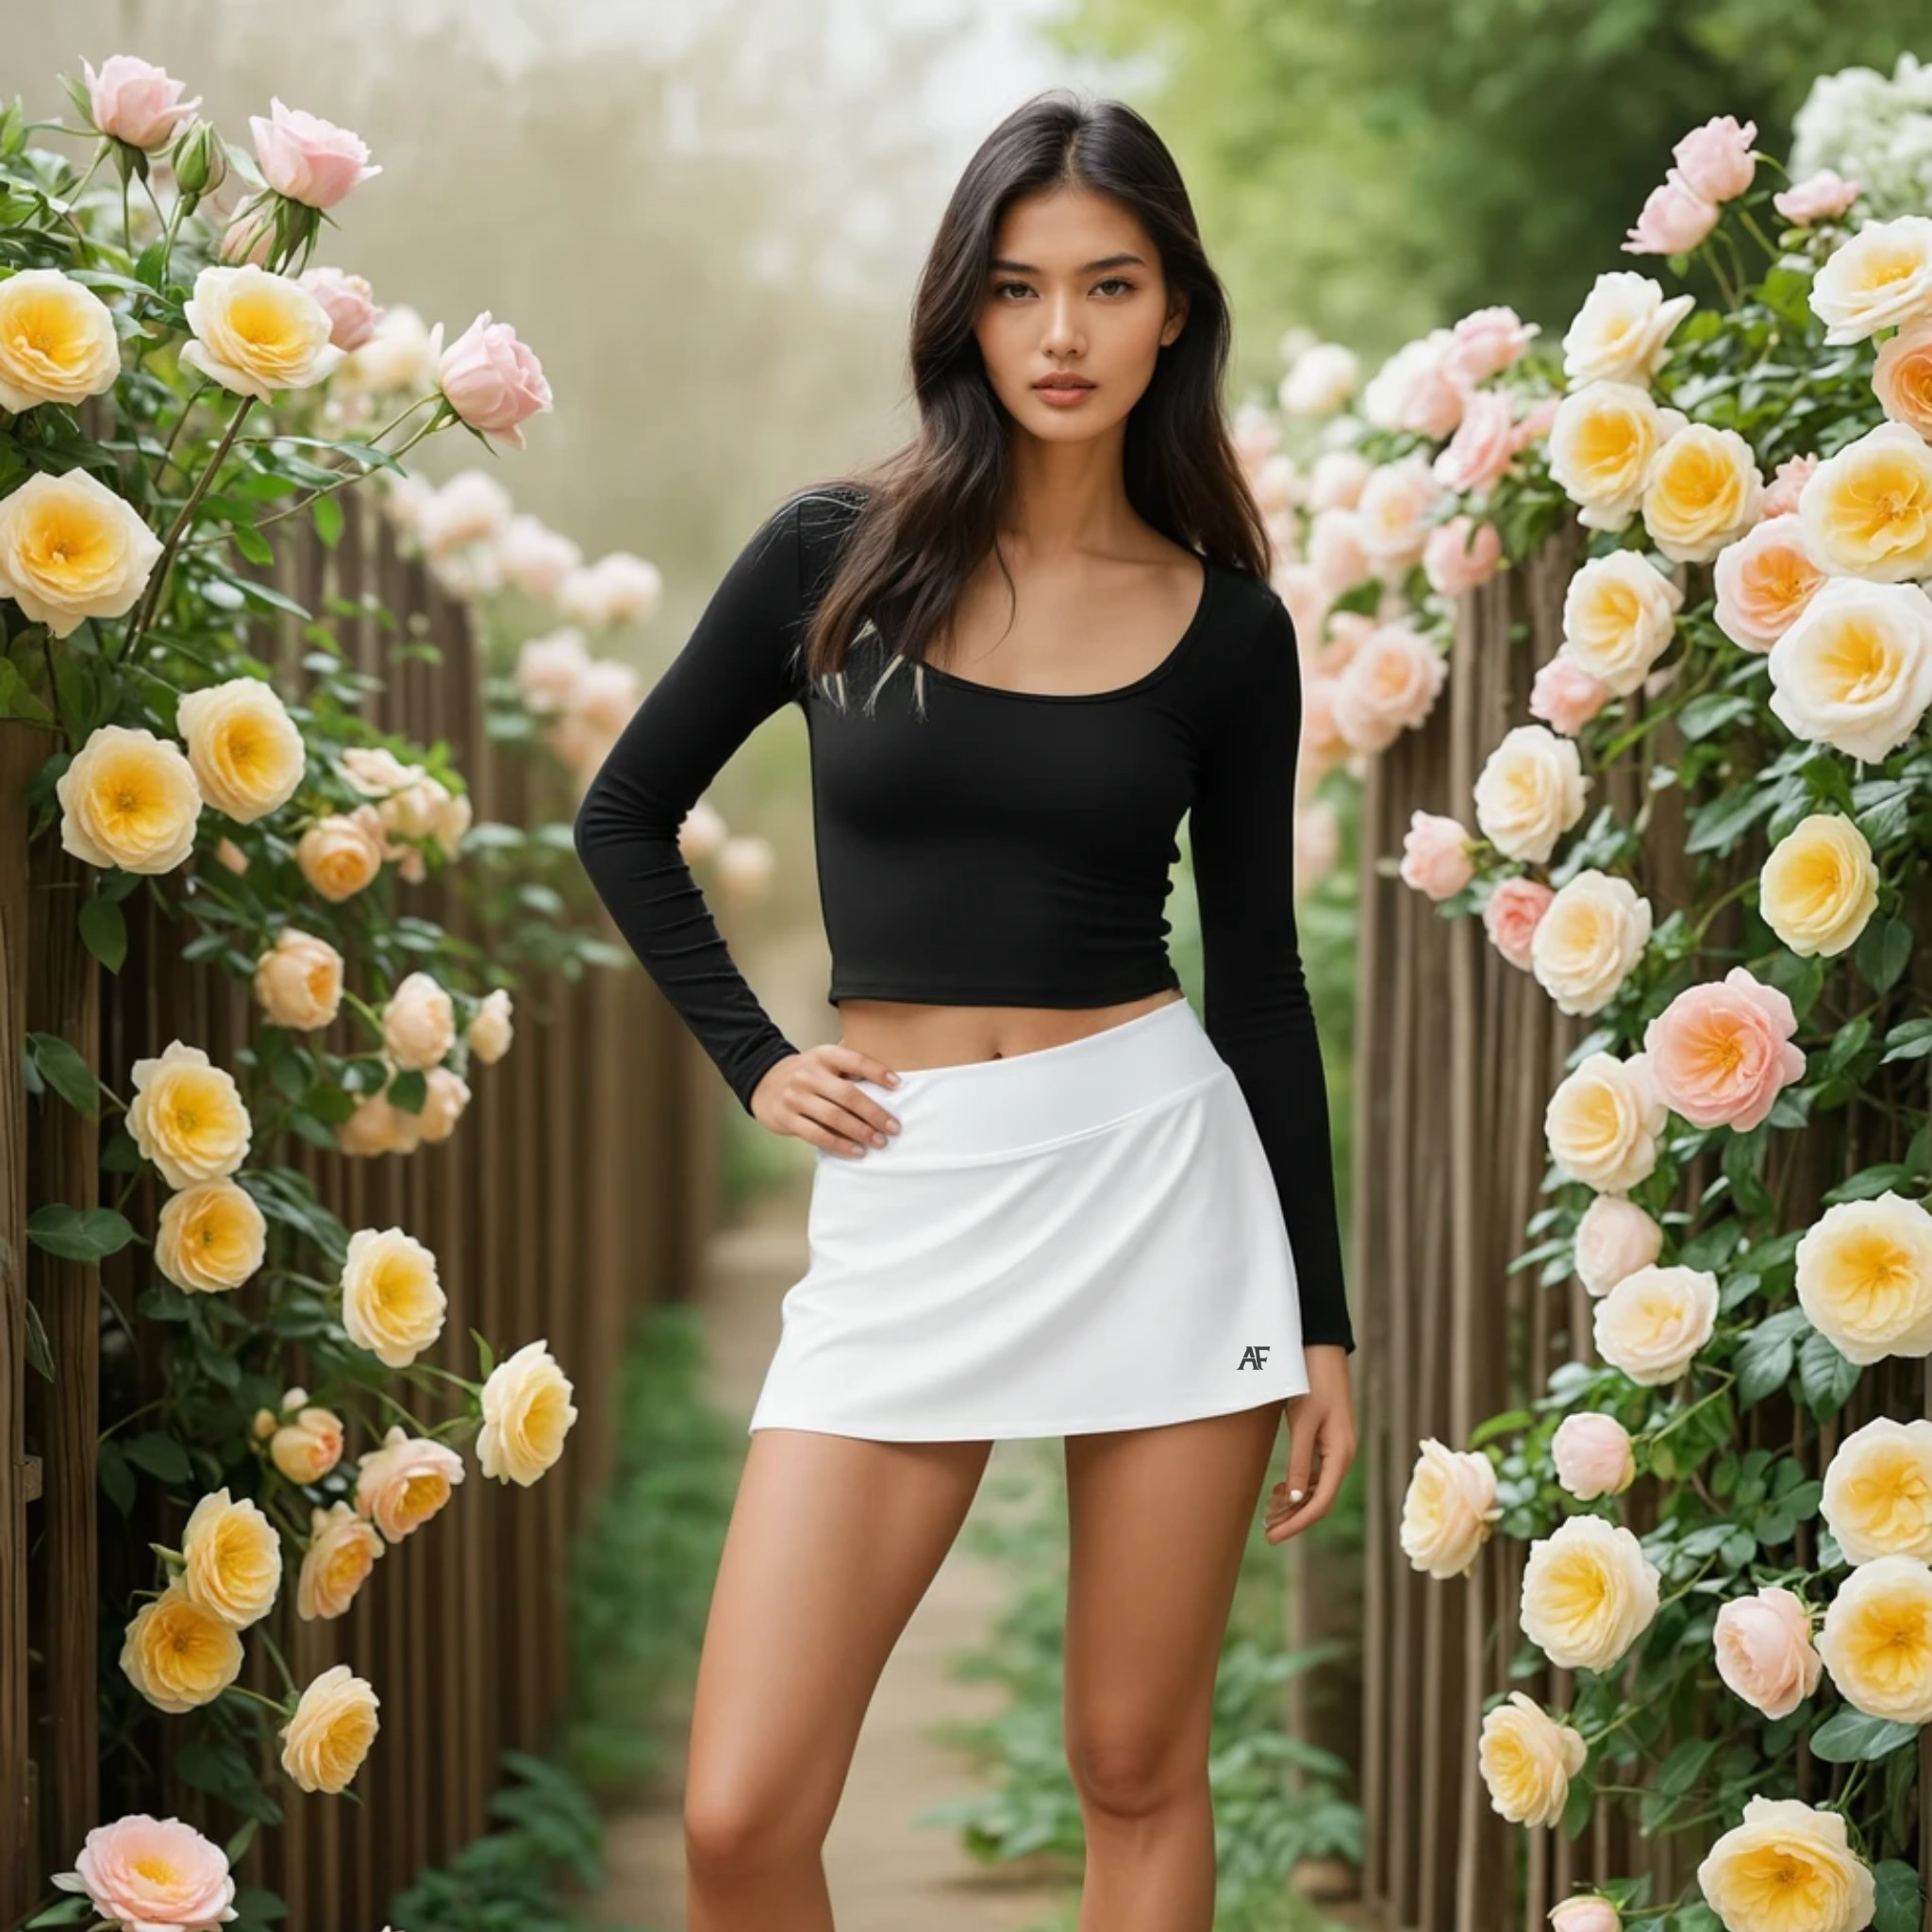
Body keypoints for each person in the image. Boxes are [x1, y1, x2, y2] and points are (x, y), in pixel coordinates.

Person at [573, 85, 1357, 1932]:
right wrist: (755, 1065)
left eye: (1108, 283)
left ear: (1174, 308)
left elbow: (1257, 978)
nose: (1062, 333)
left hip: (1161, 1187)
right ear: (963, 309)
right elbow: (623, 818)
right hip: (915, 1201)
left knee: (1133, 1765)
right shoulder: (829, 556)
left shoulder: (1227, 627)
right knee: (742, 1809)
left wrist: (1321, 1321)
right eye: (1018, 288)